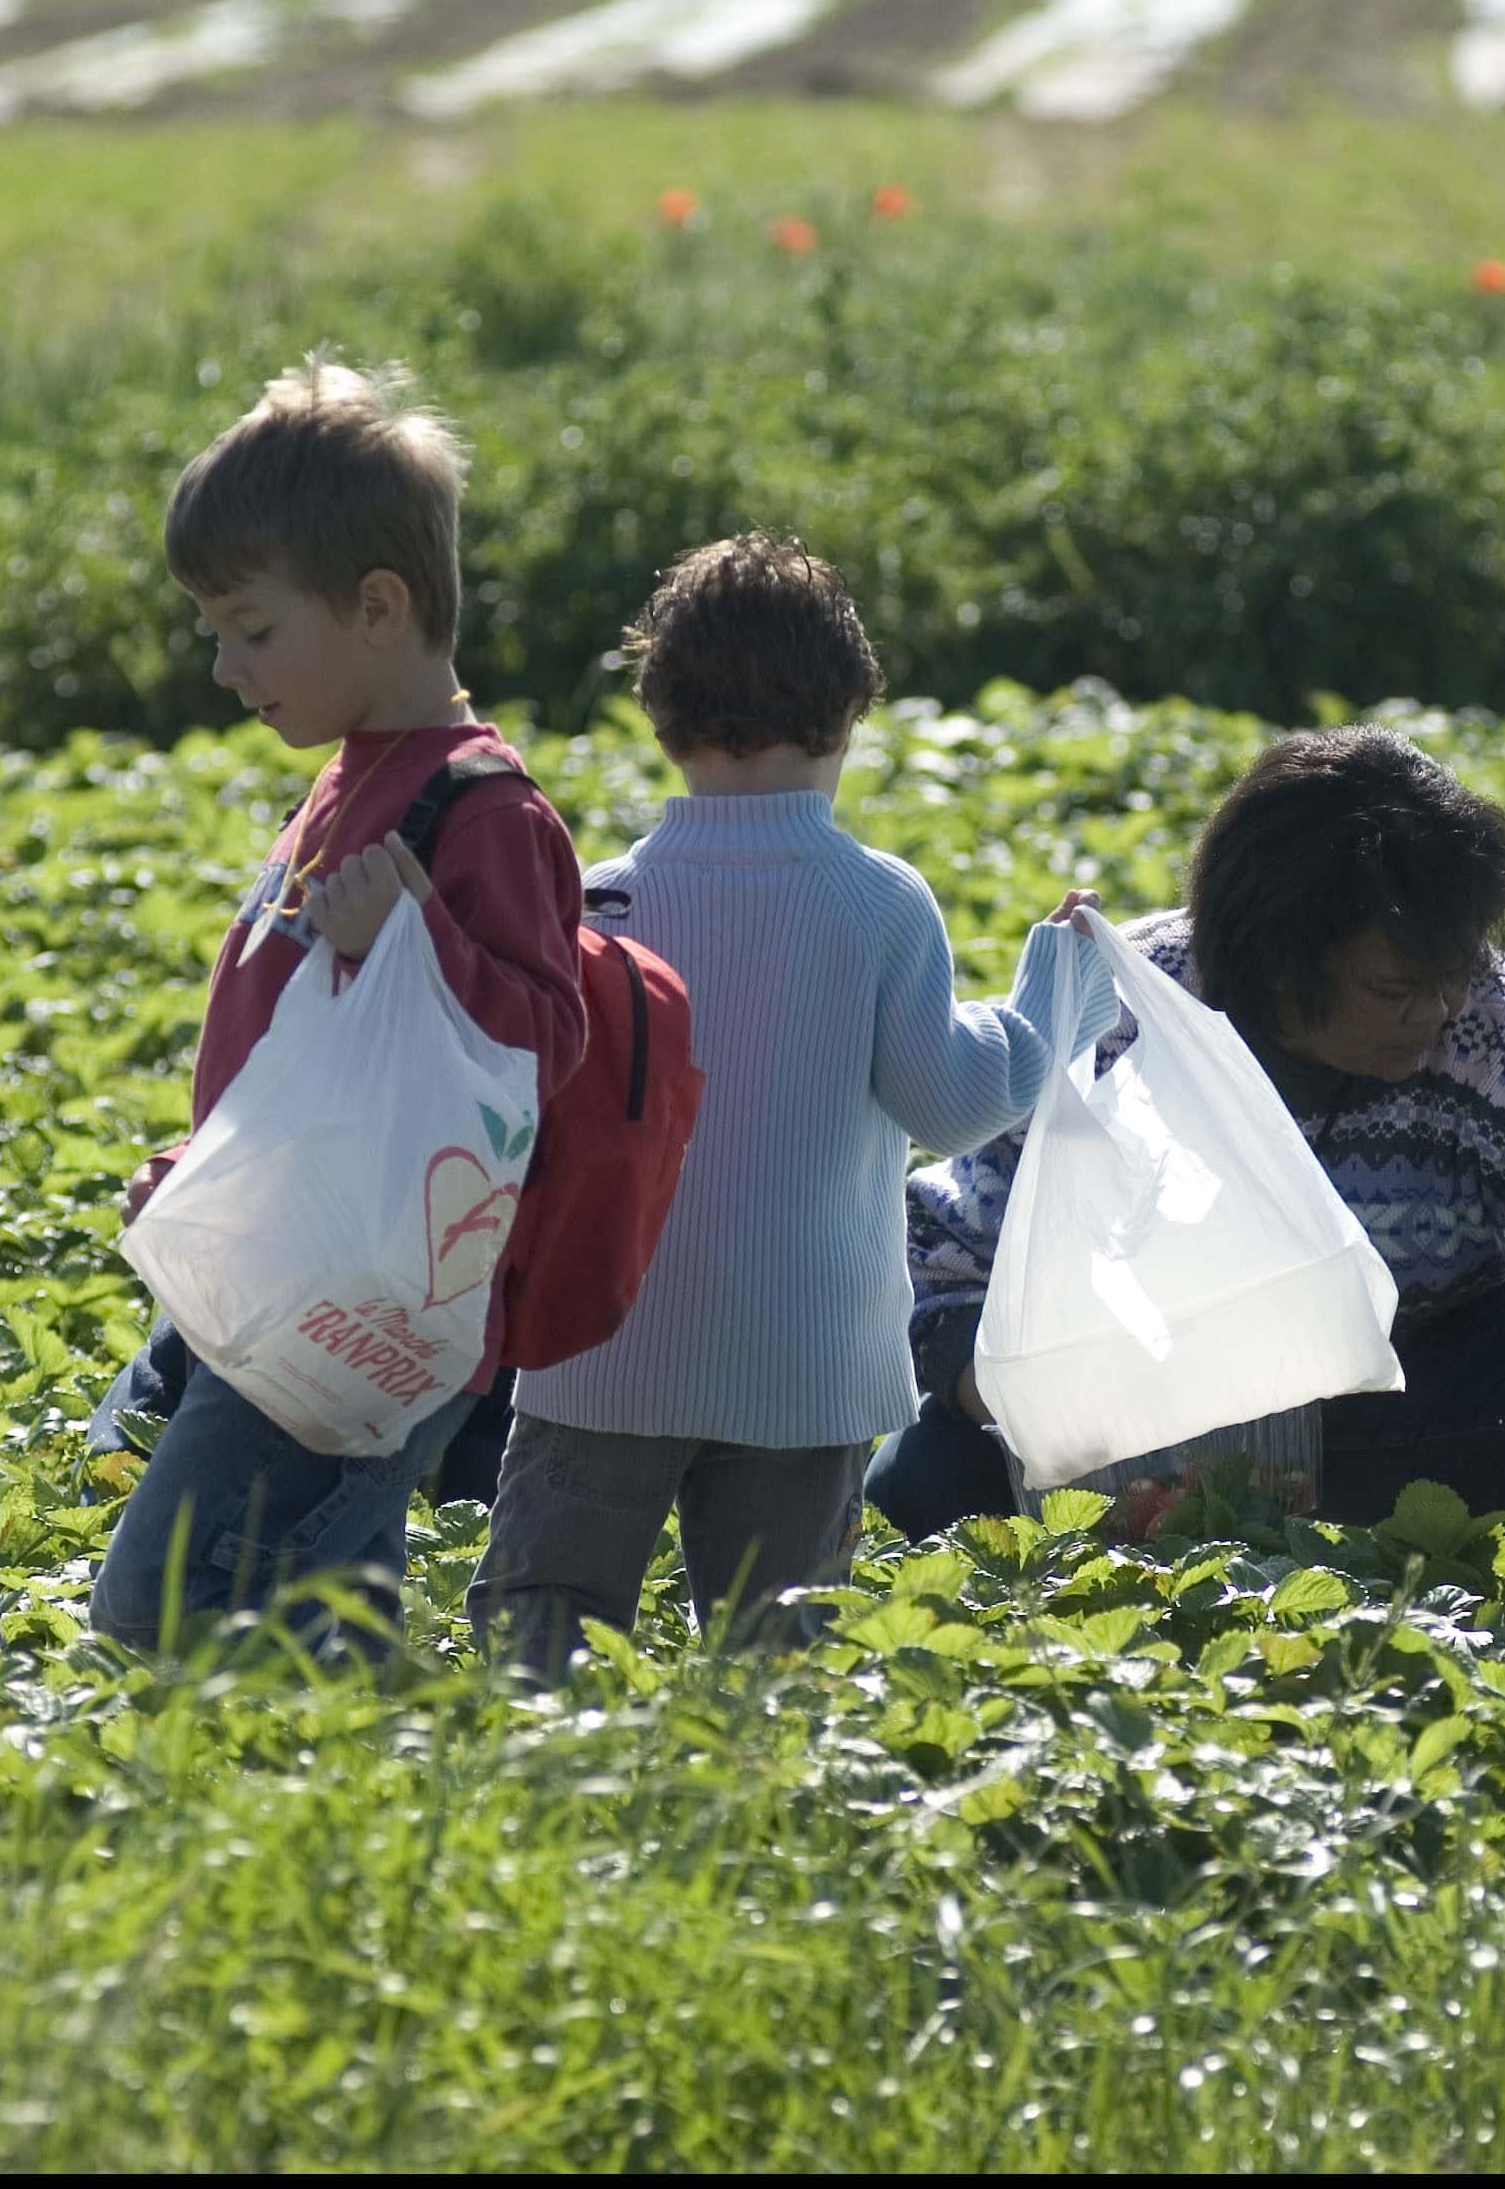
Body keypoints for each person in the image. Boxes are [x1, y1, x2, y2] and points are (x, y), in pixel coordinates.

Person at [868, 726, 1505, 1539]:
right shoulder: (1118, 1021)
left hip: (1403, 1402)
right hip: (1124, 1414)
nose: (1437, 1010)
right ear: (1277, 961)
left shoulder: (1497, 1037)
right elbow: (944, 1260)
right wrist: (1097, 1431)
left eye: (1454, 971)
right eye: (1395, 989)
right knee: (922, 1485)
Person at [468, 535, 1108, 1672]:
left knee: (545, 1629)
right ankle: (761, 1821)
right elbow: (955, 1103)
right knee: (777, 1651)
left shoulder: (602, 901)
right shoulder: (872, 904)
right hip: (803, 1357)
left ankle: (538, 1813)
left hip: (601, 1345)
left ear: (660, 717)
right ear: (847, 713)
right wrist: (1052, 994)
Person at [86, 356, 589, 1661]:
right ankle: (349, 1811)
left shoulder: (483, 809)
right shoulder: (351, 778)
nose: (222, 665)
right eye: (213, 629)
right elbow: (305, 1058)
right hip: (300, 1267)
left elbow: (541, 1042)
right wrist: (211, 1173)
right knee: (304, 1602)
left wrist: (413, 947)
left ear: (378, 606)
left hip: (370, 1304)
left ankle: (327, 1815)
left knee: (167, 1609)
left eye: (252, 629)